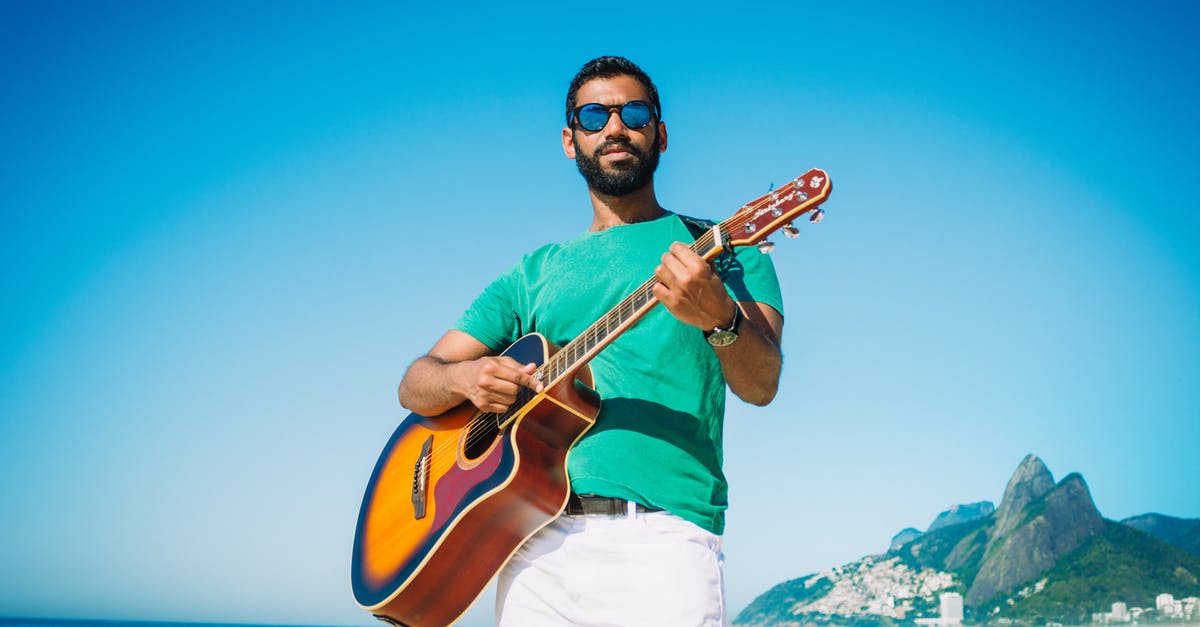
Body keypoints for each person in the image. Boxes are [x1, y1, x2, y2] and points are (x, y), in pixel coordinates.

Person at [397, 56, 785, 626]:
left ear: (661, 133)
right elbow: (416, 384)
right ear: (569, 140)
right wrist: (464, 379)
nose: (615, 127)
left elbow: (762, 384)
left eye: (633, 112)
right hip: (531, 545)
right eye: (593, 115)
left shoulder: (722, 249)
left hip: (663, 540)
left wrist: (719, 318)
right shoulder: (532, 273)